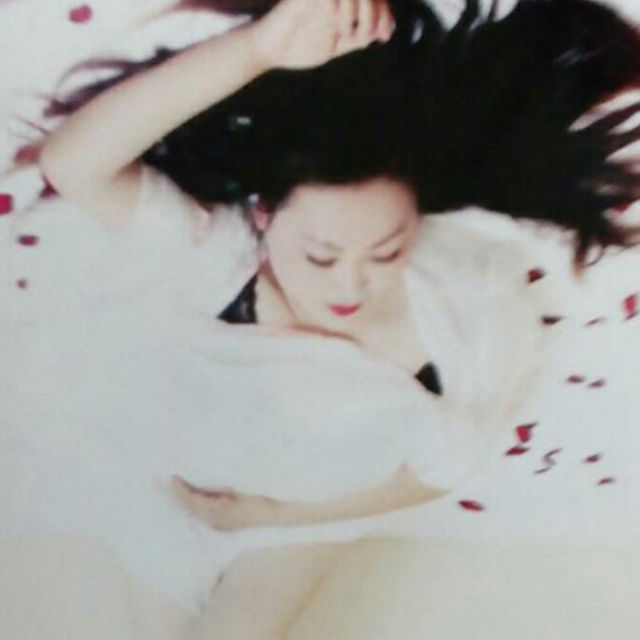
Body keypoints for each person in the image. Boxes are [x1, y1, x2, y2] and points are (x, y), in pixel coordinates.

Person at [4, 0, 640, 638]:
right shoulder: (217, 257)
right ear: (263, 216)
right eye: (320, 255)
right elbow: (75, 163)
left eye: (385, 252)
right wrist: (258, 49)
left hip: (304, 509)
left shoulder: (459, 317)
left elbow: (440, 470)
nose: (349, 285)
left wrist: (269, 515)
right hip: (174, 483)